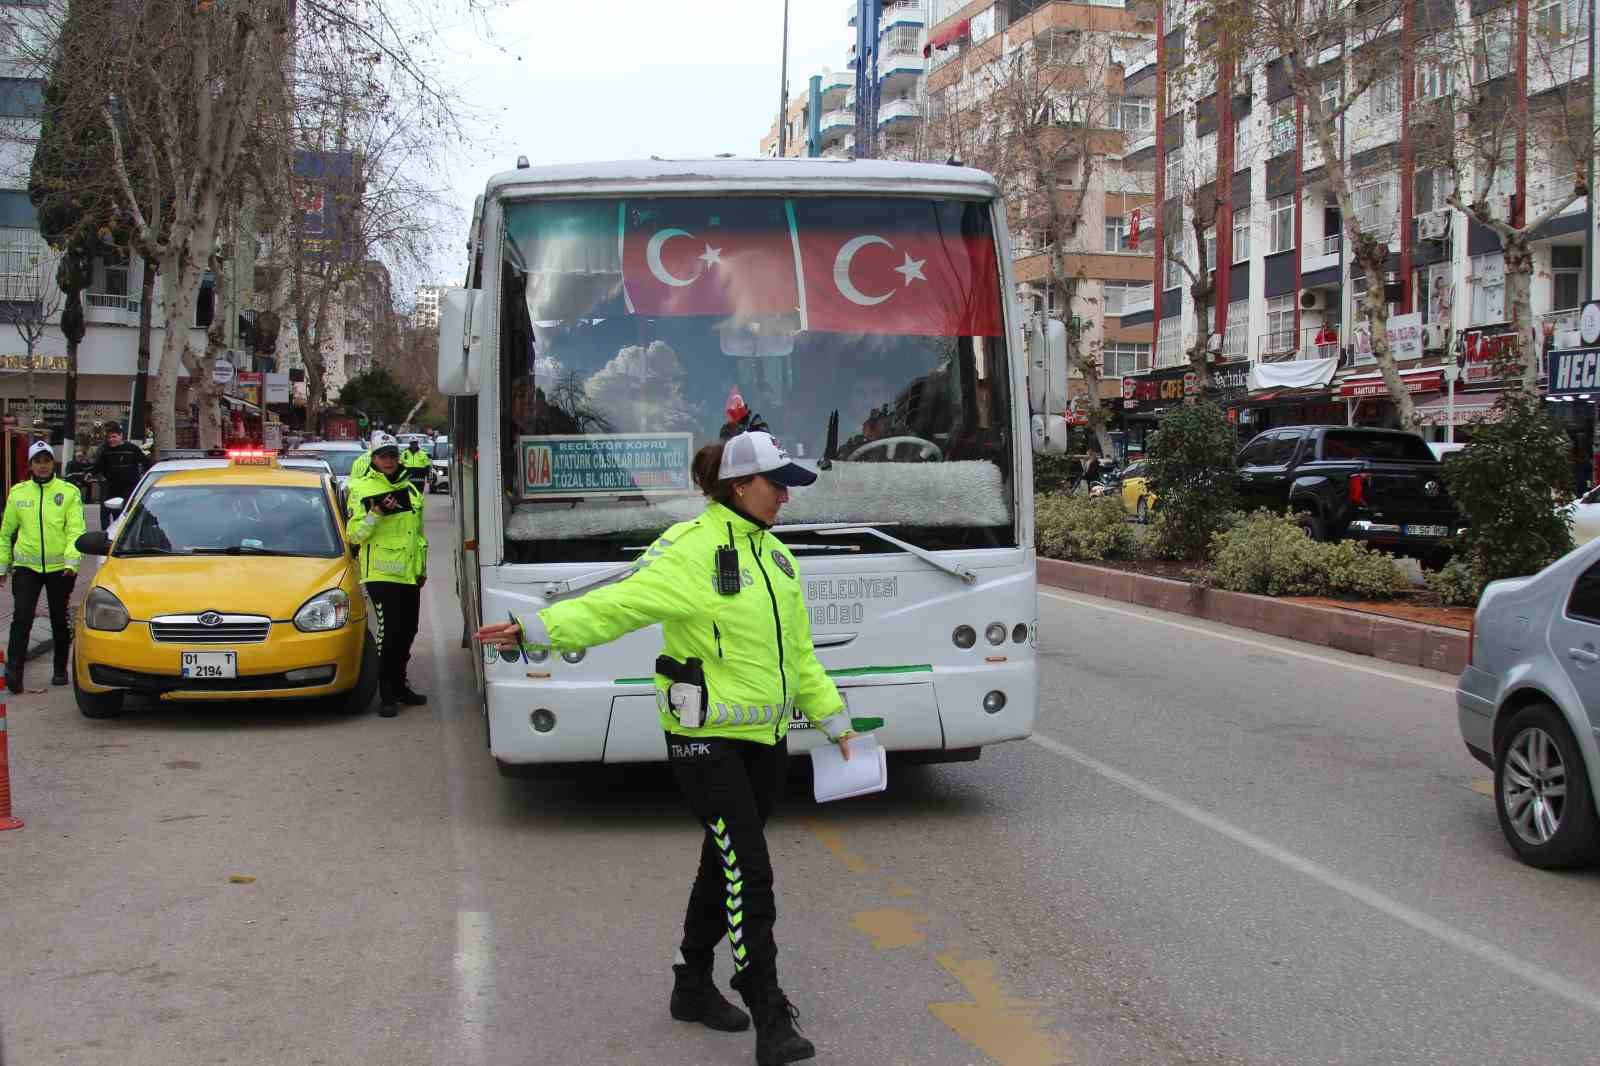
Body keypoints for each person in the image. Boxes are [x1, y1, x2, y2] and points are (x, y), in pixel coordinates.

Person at [475, 430, 855, 1066]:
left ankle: (690, 984)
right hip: (704, 740)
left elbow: (799, 656)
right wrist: (533, 629)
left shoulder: (776, 557)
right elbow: (615, 607)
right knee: (749, 870)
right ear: (739, 486)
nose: (786, 495)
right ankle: (768, 1010)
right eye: (776, 483)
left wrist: (835, 722)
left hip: (765, 741)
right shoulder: (688, 549)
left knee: (724, 861)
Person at [346, 432, 428, 716]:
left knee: (408, 632)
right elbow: (355, 535)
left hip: (408, 575)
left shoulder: (410, 488)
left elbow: (416, 535)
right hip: (381, 576)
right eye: (383, 456)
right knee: (389, 634)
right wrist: (377, 512)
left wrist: (422, 569)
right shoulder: (362, 489)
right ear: (374, 459)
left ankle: (401, 685)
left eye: (393, 455)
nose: (389, 461)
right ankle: (387, 694)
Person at [1, 441, 86, 692]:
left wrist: (73, 561)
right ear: (30, 465)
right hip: (26, 567)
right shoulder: (18, 493)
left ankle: (60, 669)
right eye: (37, 461)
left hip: (60, 568)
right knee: (22, 617)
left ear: (53, 463)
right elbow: (6, 533)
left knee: (59, 618)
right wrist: (3, 567)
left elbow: (75, 530)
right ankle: (14, 672)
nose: (42, 466)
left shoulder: (68, 492)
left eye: (47, 461)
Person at [91, 422, 151, 530]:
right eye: (109, 437)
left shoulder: (132, 449)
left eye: (114, 437)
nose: (111, 440)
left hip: (130, 488)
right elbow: (98, 466)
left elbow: (146, 462)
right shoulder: (105, 451)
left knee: (126, 515)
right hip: (112, 488)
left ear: (120, 436)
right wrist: (89, 473)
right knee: (110, 513)